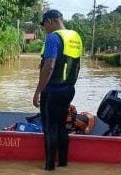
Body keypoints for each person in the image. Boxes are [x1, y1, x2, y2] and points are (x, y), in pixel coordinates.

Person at [32, 9, 82, 170]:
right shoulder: (75, 37)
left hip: (52, 90)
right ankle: (62, 164)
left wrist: (38, 91)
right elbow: (77, 65)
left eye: (44, 25)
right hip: (68, 89)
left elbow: (49, 66)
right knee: (61, 126)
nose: (44, 28)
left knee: (49, 128)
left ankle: (49, 168)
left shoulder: (53, 37)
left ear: (49, 21)